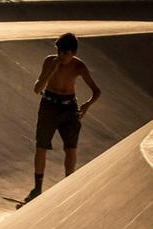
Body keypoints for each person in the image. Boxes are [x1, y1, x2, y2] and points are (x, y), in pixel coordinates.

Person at [25, 32, 101, 203]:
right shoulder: (49, 61)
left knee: (70, 148)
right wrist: (51, 71)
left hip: (69, 107)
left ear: (73, 52)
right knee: (41, 146)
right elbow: (37, 89)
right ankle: (37, 188)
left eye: (65, 53)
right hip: (49, 104)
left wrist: (87, 105)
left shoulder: (79, 66)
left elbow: (97, 91)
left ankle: (69, 185)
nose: (61, 56)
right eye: (59, 51)